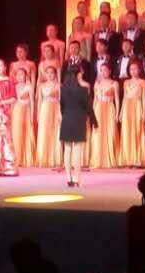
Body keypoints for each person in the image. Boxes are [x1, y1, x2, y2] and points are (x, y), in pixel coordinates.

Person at [59, 57, 91, 187]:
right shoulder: (84, 88)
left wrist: (65, 115)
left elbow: (62, 106)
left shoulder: (63, 88)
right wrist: (91, 119)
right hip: (79, 119)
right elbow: (87, 106)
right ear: (78, 74)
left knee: (67, 148)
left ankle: (69, 178)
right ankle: (77, 179)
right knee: (77, 149)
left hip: (67, 118)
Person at [88, 62, 119, 169]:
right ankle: (97, 159)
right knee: (98, 133)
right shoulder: (97, 83)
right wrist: (92, 114)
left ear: (110, 71)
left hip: (109, 108)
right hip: (98, 109)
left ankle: (109, 159)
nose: (103, 72)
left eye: (105, 70)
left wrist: (117, 113)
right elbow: (95, 99)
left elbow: (117, 99)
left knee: (110, 132)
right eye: (101, 70)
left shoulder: (114, 83)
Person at [119, 60, 145, 167]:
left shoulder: (142, 82)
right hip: (127, 107)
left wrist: (143, 112)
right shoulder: (126, 82)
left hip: (137, 106)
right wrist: (121, 112)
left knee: (137, 131)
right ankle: (127, 159)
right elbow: (124, 98)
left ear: (139, 70)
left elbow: (144, 98)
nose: (133, 71)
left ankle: (138, 159)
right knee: (127, 132)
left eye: (135, 69)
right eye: (131, 69)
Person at [35, 65, 62, 169]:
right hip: (45, 109)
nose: (50, 75)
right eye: (48, 73)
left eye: (52, 73)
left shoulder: (59, 85)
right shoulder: (41, 86)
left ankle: (55, 159)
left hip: (56, 109)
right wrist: (38, 114)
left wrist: (60, 113)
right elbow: (39, 101)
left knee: (56, 132)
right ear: (45, 74)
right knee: (44, 132)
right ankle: (43, 158)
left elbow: (61, 100)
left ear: (55, 74)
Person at [10, 63, 36, 168]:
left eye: (22, 74)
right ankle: (17, 158)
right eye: (18, 75)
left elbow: (32, 102)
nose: (20, 76)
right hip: (16, 112)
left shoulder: (29, 87)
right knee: (16, 133)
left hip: (26, 111)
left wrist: (32, 115)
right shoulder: (14, 87)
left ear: (26, 76)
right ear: (16, 76)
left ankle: (27, 158)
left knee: (26, 133)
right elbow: (12, 102)